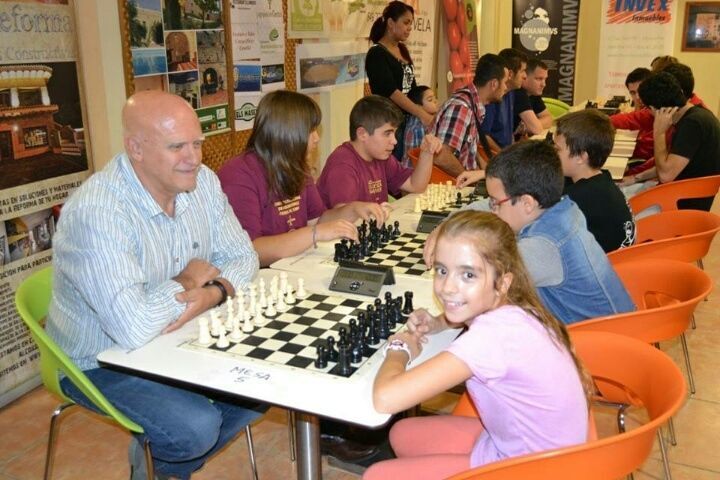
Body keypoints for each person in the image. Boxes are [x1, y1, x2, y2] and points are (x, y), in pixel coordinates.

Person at [46, 91, 266, 480]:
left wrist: (213, 292)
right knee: (196, 428)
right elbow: (132, 328)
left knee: (266, 385)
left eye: (197, 143)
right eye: (177, 146)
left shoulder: (203, 182)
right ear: (136, 148)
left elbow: (244, 256)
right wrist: (187, 280)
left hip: (178, 336)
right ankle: (162, 464)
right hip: (98, 359)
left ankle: (159, 464)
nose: (193, 158)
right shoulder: (97, 212)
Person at [363, 211, 591, 480]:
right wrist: (438, 323)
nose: (448, 287)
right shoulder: (515, 308)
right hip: (530, 447)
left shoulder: (489, 340)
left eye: (468, 275)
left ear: (502, 283)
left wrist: (400, 350)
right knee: (402, 434)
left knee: (376, 476)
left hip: (534, 469)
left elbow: (385, 399)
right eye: (442, 270)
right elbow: (475, 314)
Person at [431, 141, 636, 325]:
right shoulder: (562, 209)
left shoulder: (543, 247)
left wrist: (437, 322)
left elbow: (482, 297)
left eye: (495, 202)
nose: (492, 209)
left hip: (598, 345)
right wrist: (445, 227)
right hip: (613, 329)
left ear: (527, 203)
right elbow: (488, 206)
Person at [218, 90, 386, 268]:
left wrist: (353, 209)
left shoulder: (296, 166)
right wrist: (314, 234)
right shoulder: (239, 174)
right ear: (287, 132)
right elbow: (251, 251)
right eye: (311, 130)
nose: (317, 138)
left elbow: (318, 220)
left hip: (295, 266)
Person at [318, 95, 442, 208]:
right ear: (362, 134)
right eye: (387, 134)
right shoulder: (342, 165)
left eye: (394, 133)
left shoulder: (380, 156)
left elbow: (415, 186)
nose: (394, 141)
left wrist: (427, 152)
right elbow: (343, 216)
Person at [629, 71, 720, 210]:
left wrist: (659, 134)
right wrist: (636, 177)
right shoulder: (696, 115)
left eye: (648, 109)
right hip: (680, 194)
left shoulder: (692, 125)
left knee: (620, 210)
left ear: (656, 109)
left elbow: (665, 175)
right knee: (626, 192)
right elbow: (672, 163)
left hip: (681, 205)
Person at [555, 110, 636, 252]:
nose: (552, 153)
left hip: (606, 263)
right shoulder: (602, 179)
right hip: (619, 259)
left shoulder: (576, 199)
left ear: (581, 157)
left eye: (557, 149)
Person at [366, 1, 430, 160]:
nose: (409, 28)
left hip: (407, 121)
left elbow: (411, 87)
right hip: (388, 123)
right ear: (390, 23)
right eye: (406, 22)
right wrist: (421, 113)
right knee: (392, 166)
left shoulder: (402, 49)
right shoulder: (377, 53)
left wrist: (427, 104)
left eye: (411, 24)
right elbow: (392, 92)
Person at [431, 53, 509, 177]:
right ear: (494, 84)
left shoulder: (472, 103)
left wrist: (485, 171)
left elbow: (467, 147)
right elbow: (441, 156)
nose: (506, 88)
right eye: (505, 82)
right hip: (448, 184)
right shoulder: (461, 108)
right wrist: (470, 178)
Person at [479, 48, 527, 150]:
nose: (525, 76)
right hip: (495, 155)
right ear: (510, 74)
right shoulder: (492, 97)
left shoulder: (511, 93)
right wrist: (503, 155)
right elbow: (482, 137)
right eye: (522, 71)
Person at [401, 85, 439, 167]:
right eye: (430, 100)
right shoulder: (417, 128)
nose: (435, 101)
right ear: (418, 107)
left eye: (435, 98)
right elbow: (413, 160)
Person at [513, 57, 552, 137]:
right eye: (539, 79)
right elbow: (536, 128)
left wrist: (524, 127)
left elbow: (549, 119)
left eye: (545, 79)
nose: (544, 84)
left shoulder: (533, 94)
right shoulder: (518, 92)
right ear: (525, 77)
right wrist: (533, 125)